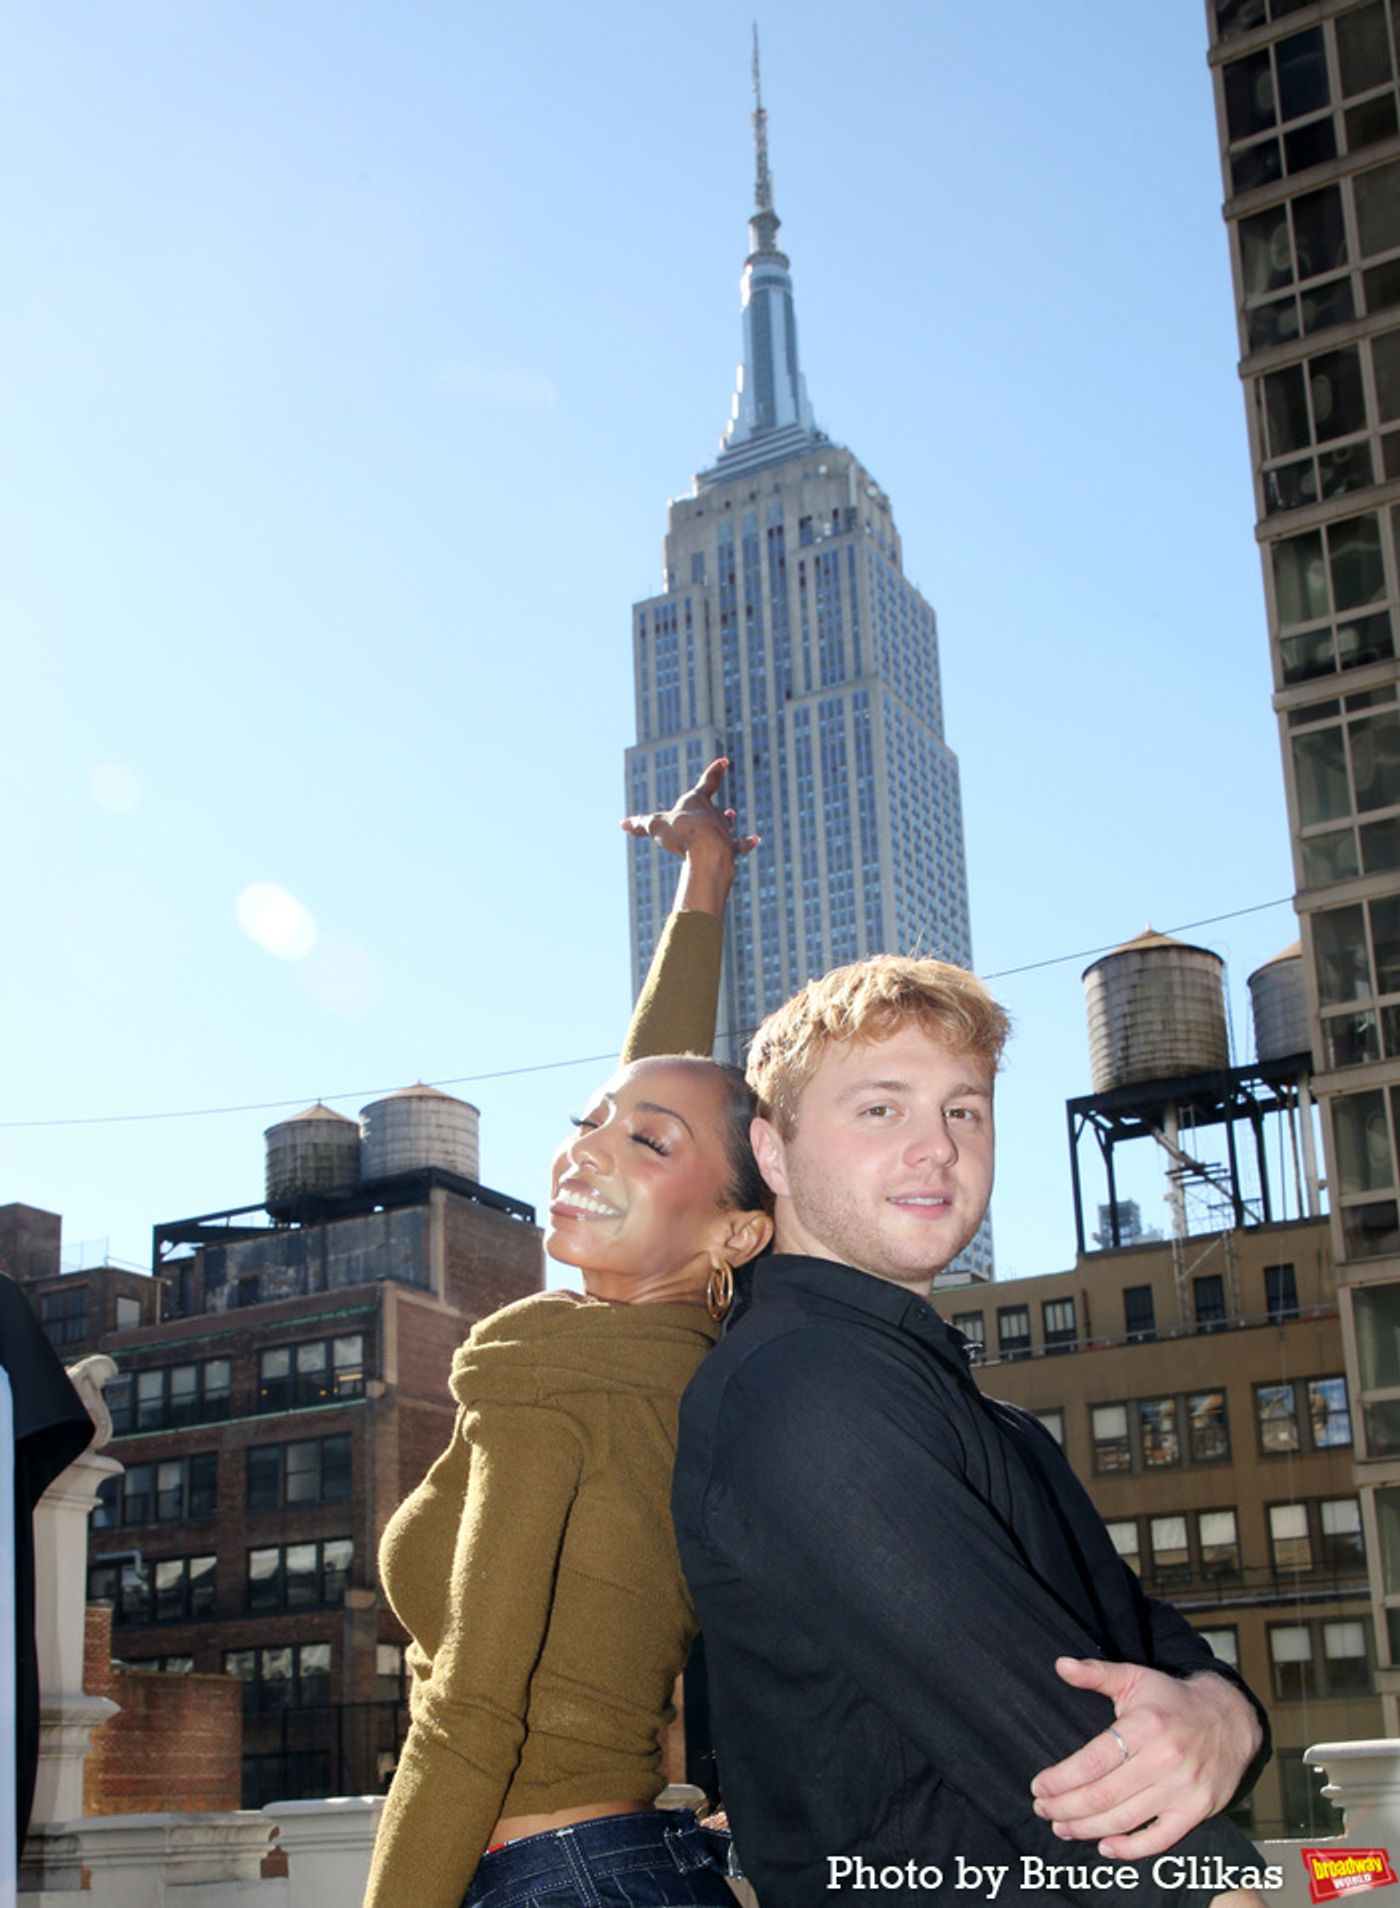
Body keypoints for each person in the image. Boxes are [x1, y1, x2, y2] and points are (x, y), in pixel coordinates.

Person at [651, 942, 1275, 1908]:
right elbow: (1082, 1786)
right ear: (773, 1151)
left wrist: (1225, 1714)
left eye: (963, 1110)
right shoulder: (798, 1386)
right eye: (880, 1108)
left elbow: (1148, 1642)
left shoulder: (994, 1425)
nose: (937, 1145)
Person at [363, 761, 771, 1908]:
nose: (585, 1150)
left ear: (733, 1232)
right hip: (620, 1868)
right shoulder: (682, 1360)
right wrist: (703, 884)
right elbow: (670, 1110)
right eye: (583, 1123)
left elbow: (471, 1713)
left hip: (551, 1878)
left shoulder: (563, 1379)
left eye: (640, 1145)